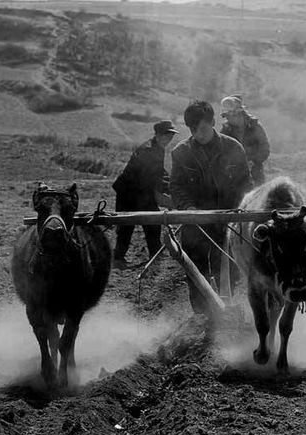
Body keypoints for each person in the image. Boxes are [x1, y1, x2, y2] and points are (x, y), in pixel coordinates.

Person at [170, 100, 252, 316]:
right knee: (195, 270)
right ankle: (201, 318)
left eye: (203, 128)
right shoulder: (181, 152)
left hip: (227, 222)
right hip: (194, 221)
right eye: (193, 129)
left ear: (213, 122)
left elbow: (246, 184)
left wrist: (240, 209)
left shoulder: (233, 148)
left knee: (229, 268)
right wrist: (187, 207)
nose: (199, 134)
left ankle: (225, 313)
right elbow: (176, 186)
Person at [112, 120, 177, 268]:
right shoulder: (147, 150)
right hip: (129, 192)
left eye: (171, 135)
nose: (169, 139)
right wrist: (170, 190)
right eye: (167, 135)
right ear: (158, 135)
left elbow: (160, 172)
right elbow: (152, 178)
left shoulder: (157, 148)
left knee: (152, 224)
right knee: (127, 226)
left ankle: (155, 255)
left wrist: (172, 185)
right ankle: (118, 258)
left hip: (141, 191)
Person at [220, 95, 270, 185]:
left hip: (256, 174)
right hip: (235, 177)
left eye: (229, 116)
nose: (227, 119)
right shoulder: (225, 131)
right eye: (226, 116)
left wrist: (254, 161)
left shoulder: (255, 126)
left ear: (238, 114)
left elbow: (264, 148)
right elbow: (221, 153)